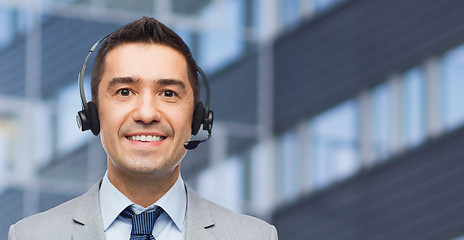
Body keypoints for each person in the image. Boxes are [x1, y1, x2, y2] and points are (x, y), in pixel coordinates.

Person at [8, 17, 278, 240]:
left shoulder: (255, 236)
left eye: (169, 93)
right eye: (125, 91)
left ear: (196, 117)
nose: (147, 113)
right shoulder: (30, 235)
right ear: (93, 113)